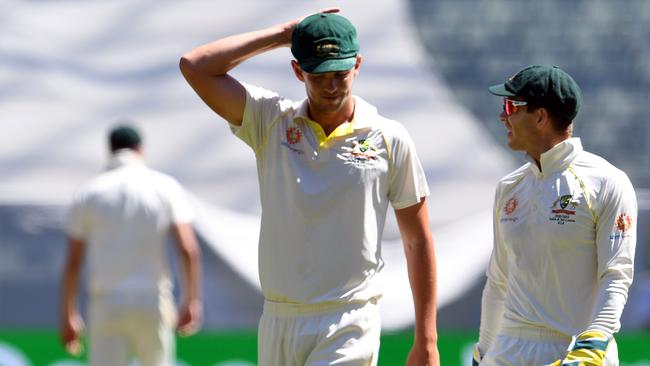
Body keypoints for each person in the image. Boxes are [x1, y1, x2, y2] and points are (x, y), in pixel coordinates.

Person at [179, 8, 439, 366]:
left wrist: (427, 338)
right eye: (318, 75)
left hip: (349, 318)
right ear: (298, 70)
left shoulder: (389, 137)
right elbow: (195, 66)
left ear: (358, 65)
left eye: (341, 73)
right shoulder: (269, 120)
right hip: (278, 320)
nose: (332, 86)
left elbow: (418, 239)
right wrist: (283, 34)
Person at [472, 65, 638, 365]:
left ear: (540, 117)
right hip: (508, 350)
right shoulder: (509, 187)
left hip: (574, 349)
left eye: (511, 106)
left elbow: (616, 275)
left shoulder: (607, 182)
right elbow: (498, 280)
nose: (502, 116)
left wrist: (593, 345)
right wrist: (483, 351)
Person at [60, 124, 203, 366]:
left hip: (106, 302)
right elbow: (187, 248)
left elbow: (74, 261)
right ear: (140, 150)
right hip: (152, 299)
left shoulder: (89, 192)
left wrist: (69, 314)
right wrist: (191, 300)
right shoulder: (164, 187)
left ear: (110, 150)